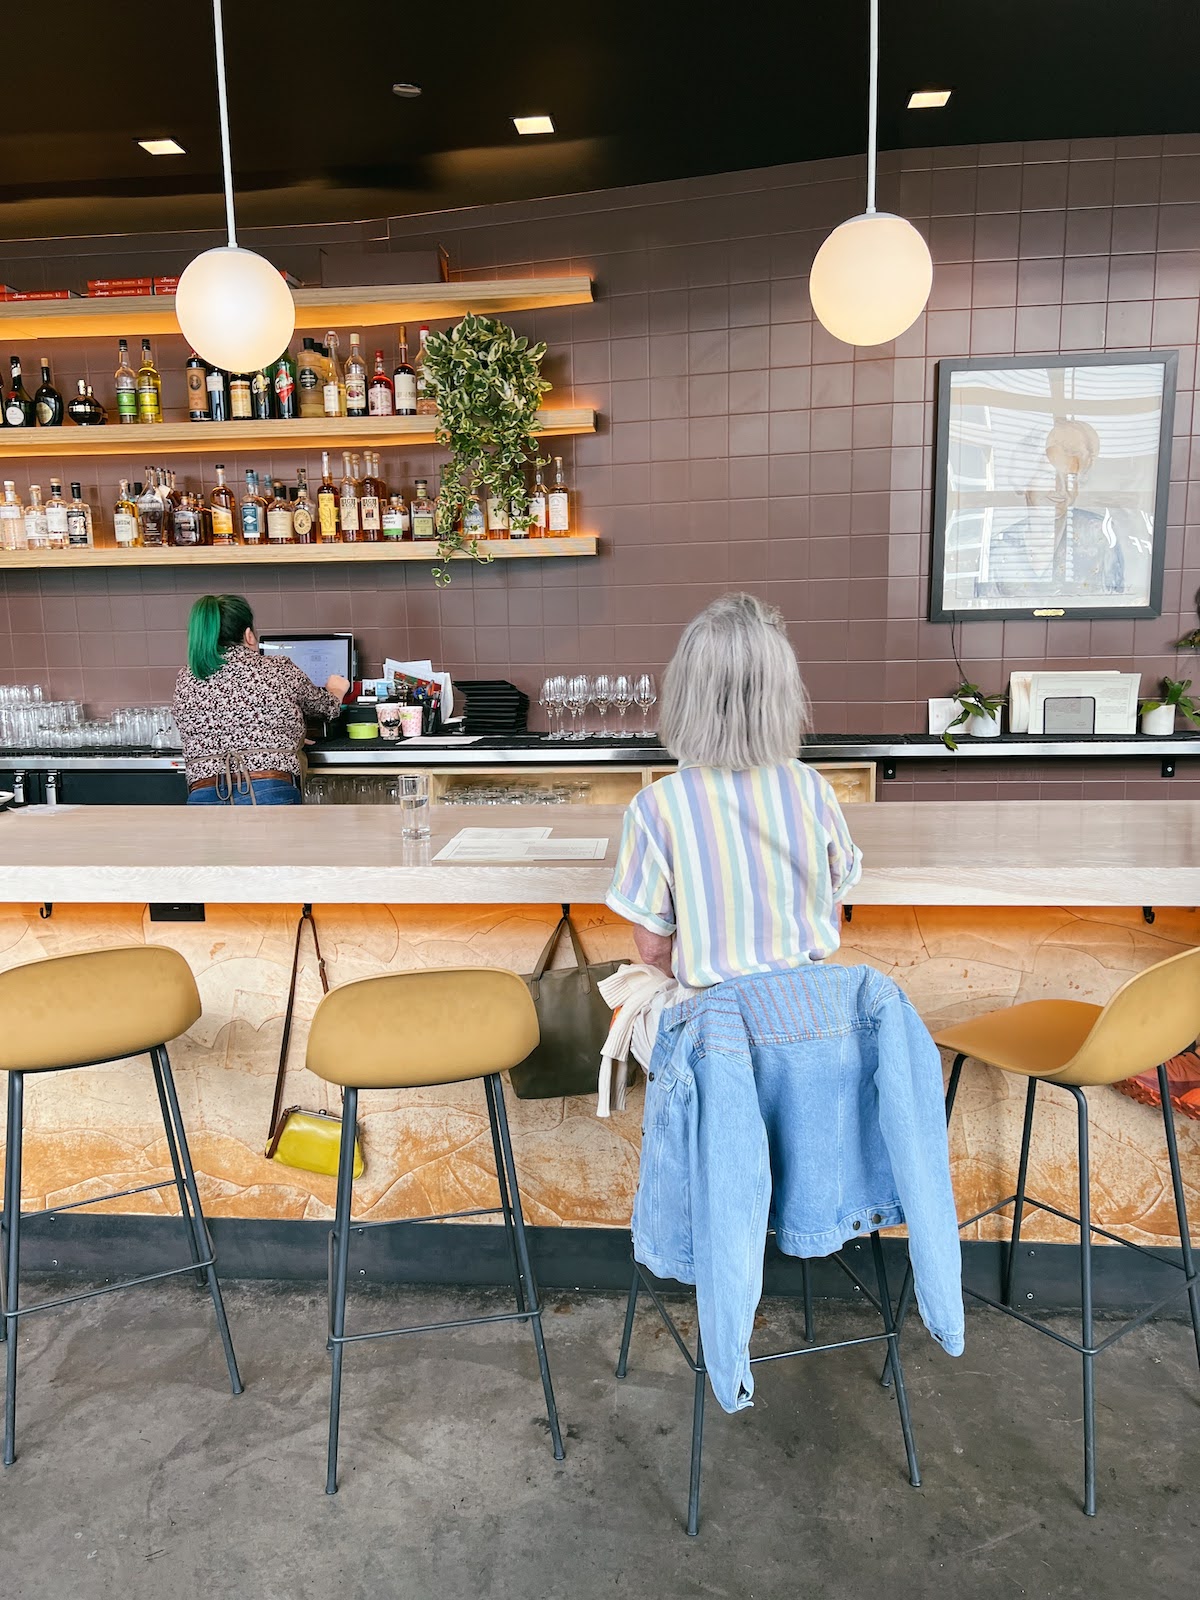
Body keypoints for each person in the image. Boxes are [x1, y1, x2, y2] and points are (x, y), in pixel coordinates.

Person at [606, 591, 861, 988]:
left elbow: (653, 951)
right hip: (811, 1012)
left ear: (684, 691)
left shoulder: (656, 807)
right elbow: (833, 910)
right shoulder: (813, 789)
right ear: (781, 693)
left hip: (718, 1027)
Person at [174, 594, 349, 806]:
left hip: (204, 795)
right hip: (269, 791)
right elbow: (326, 708)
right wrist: (336, 690)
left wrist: (290, 734)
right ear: (249, 635)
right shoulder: (277, 668)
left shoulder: (187, 678)